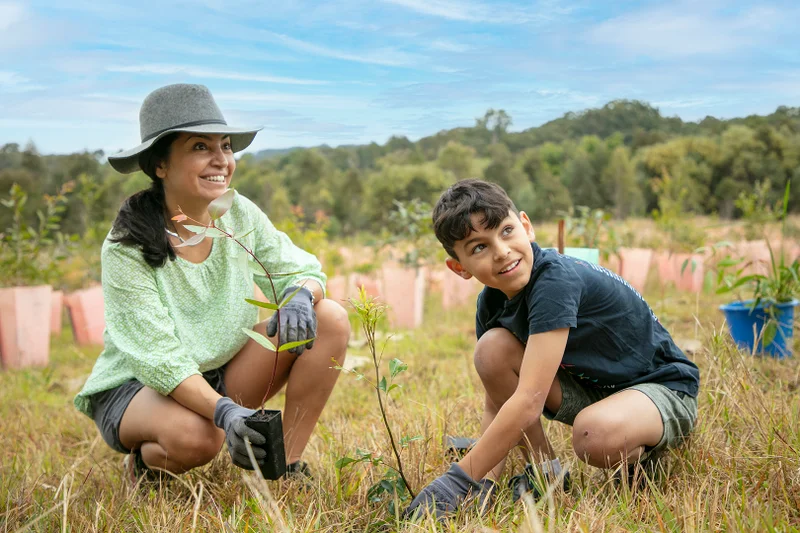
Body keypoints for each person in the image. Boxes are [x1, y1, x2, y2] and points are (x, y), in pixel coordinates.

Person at [73, 83, 350, 483]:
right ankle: (146, 464)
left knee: (331, 318)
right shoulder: (126, 246)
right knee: (198, 438)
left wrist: (301, 294)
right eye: (200, 147)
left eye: (225, 146)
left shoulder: (237, 214)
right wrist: (224, 411)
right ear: (160, 165)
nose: (221, 159)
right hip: (139, 386)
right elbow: (158, 358)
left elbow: (301, 267)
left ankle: (284, 465)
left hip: (219, 368)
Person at [404, 179, 699, 519]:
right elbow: (499, 401)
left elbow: (529, 401)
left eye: (506, 230)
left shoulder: (554, 279)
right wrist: (479, 487)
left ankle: (644, 450)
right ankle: (548, 476)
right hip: (595, 391)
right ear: (460, 268)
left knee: (595, 436)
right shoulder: (492, 302)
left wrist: (454, 482)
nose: (501, 251)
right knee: (492, 350)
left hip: (662, 389)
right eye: (478, 248)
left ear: (526, 226)